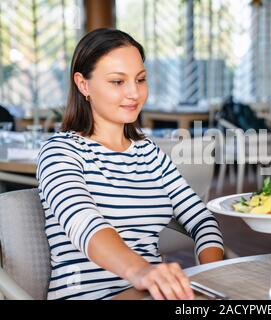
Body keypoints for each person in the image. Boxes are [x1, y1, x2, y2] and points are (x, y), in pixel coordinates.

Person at [37, 28, 224, 300]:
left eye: (140, 79)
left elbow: (201, 219)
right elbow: (84, 224)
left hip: (148, 293)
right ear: (83, 84)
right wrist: (143, 272)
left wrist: (212, 279)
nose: (134, 93)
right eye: (117, 82)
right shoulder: (59, 152)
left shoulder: (149, 153)